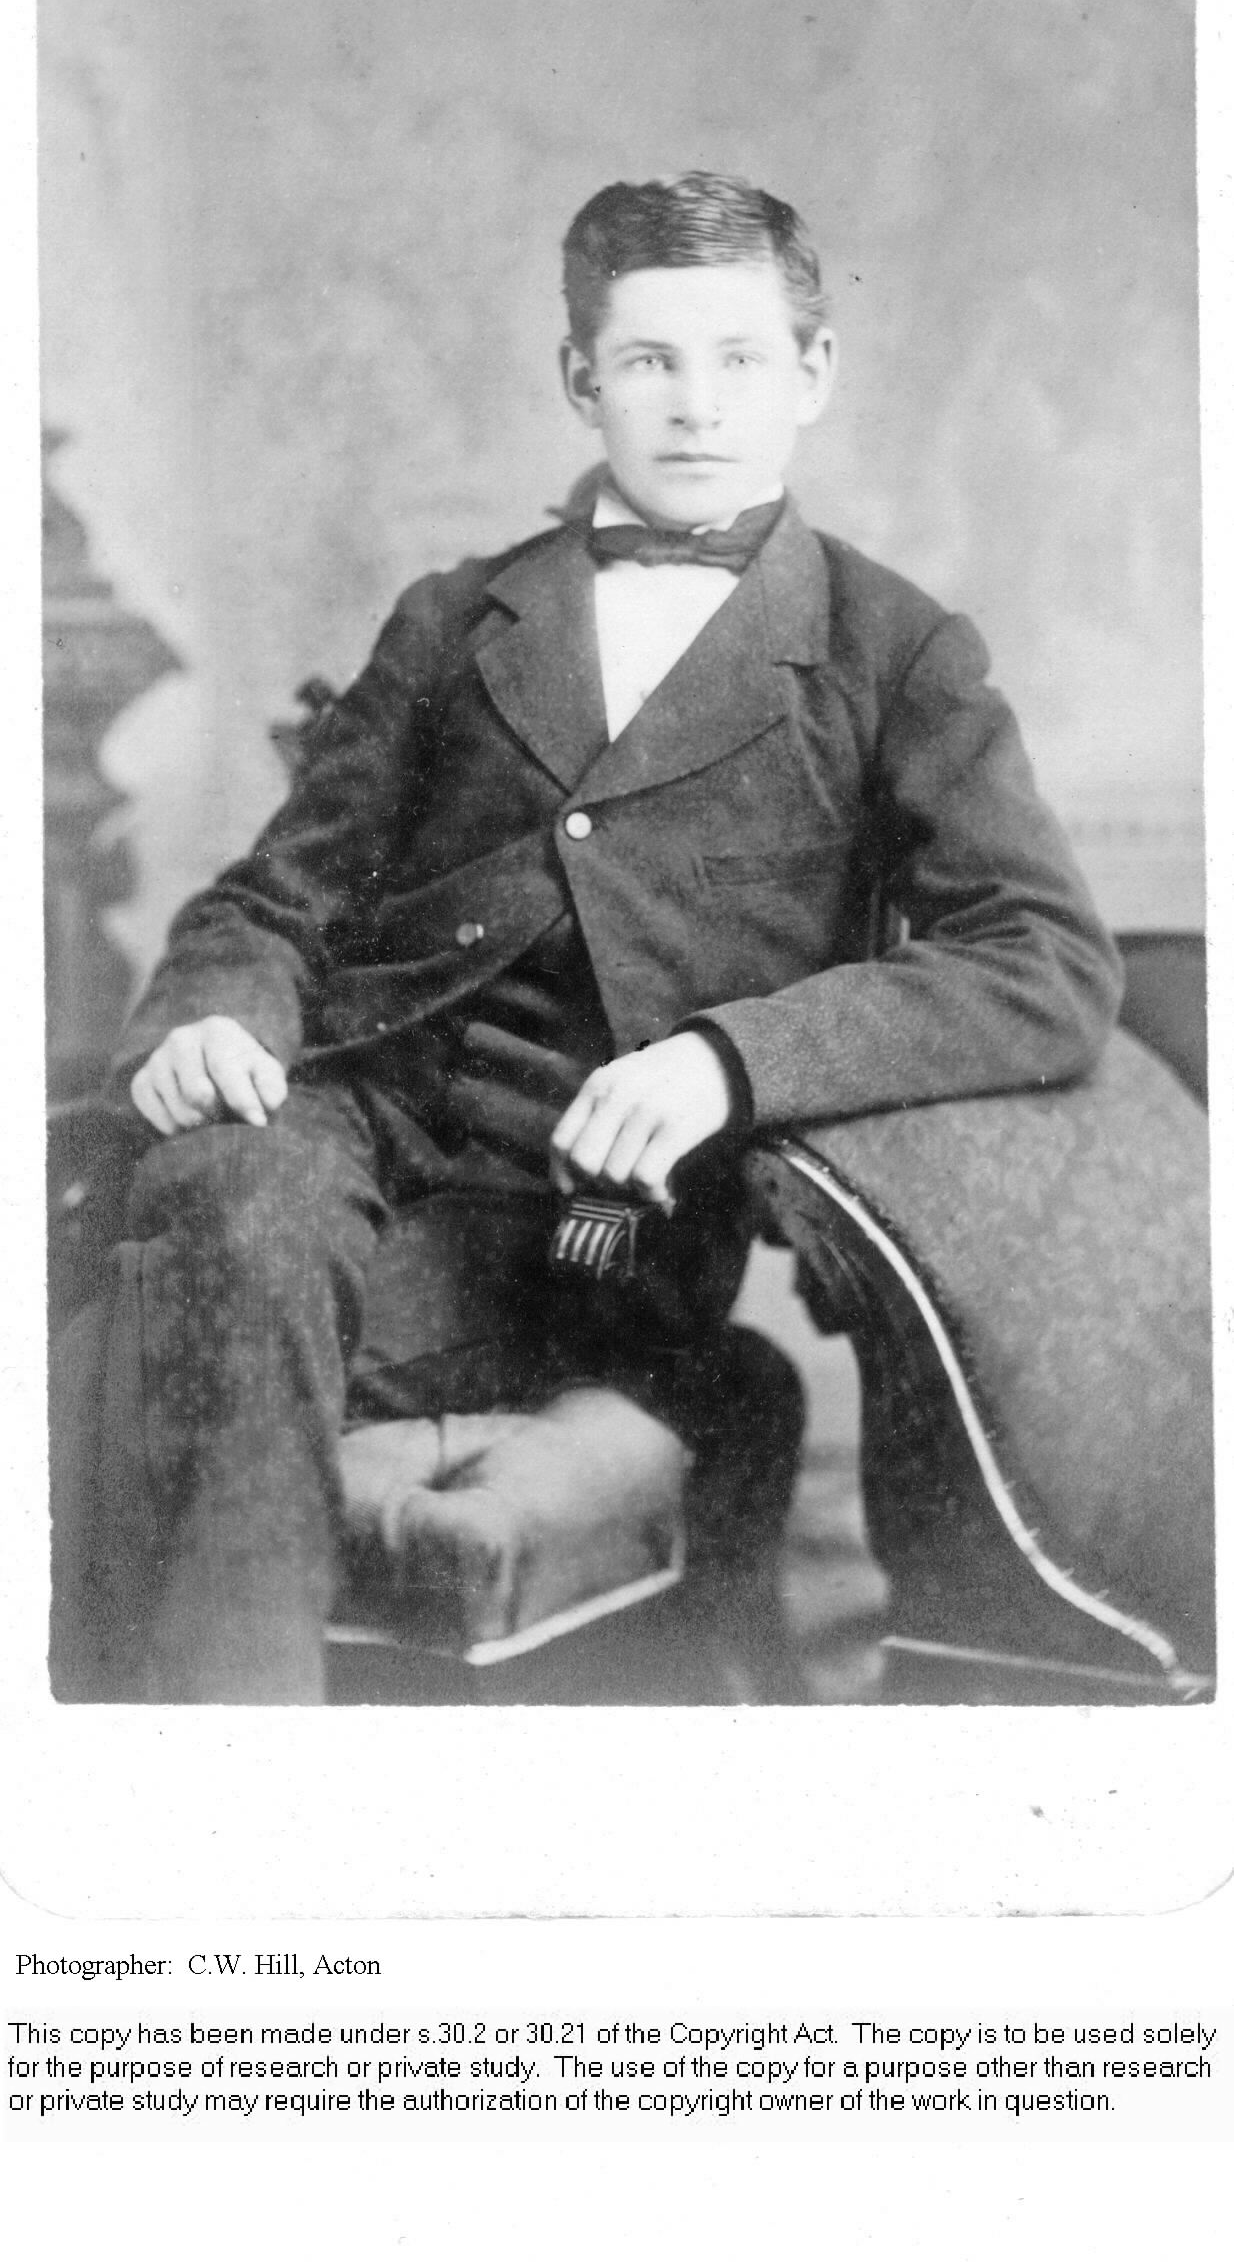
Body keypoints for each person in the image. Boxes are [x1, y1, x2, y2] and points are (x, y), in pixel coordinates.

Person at [52, 171, 1123, 1703]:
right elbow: (274, 897)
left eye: (738, 358)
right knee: (212, 1186)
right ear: (579, 380)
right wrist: (208, 1017)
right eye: (647, 361)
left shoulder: (894, 651)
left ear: (813, 372)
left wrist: (730, 1061)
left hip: (585, 1218)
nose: (696, 404)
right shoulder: (454, 616)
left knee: (133, 1318)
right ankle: (244, 1755)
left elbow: (1042, 958)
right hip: (344, 1115)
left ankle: (220, 1772)